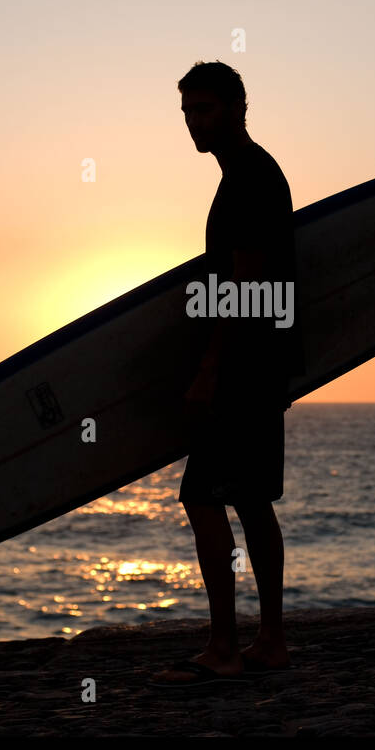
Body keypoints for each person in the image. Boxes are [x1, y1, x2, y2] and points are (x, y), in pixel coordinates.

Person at [149, 61, 304, 687]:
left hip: (242, 368)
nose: (193, 122)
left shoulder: (248, 180)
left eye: (204, 110)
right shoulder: (251, 173)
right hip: (265, 365)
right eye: (186, 111)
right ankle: (270, 642)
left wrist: (210, 369)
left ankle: (222, 647)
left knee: (201, 497)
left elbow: (243, 285)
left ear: (238, 107)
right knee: (251, 500)